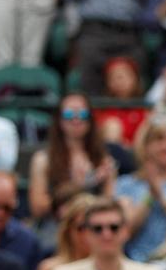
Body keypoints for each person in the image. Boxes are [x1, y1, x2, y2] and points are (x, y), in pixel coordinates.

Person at [28, 93, 116, 229]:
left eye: (83, 114)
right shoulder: (43, 159)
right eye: (69, 114)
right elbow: (37, 207)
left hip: (92, 226)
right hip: (55, 227)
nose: (76, 119)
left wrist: (107, 180)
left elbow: (109, 205)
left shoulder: (103, 159)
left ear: (90, 119)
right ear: (59, 119)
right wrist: (82, 184)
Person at [115, 119, 166, 263]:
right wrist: (150, 196)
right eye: (160, 140)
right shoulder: (126, 184)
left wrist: (161, 198)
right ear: (145, 145)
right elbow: (123, 232)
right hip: (135, 263)